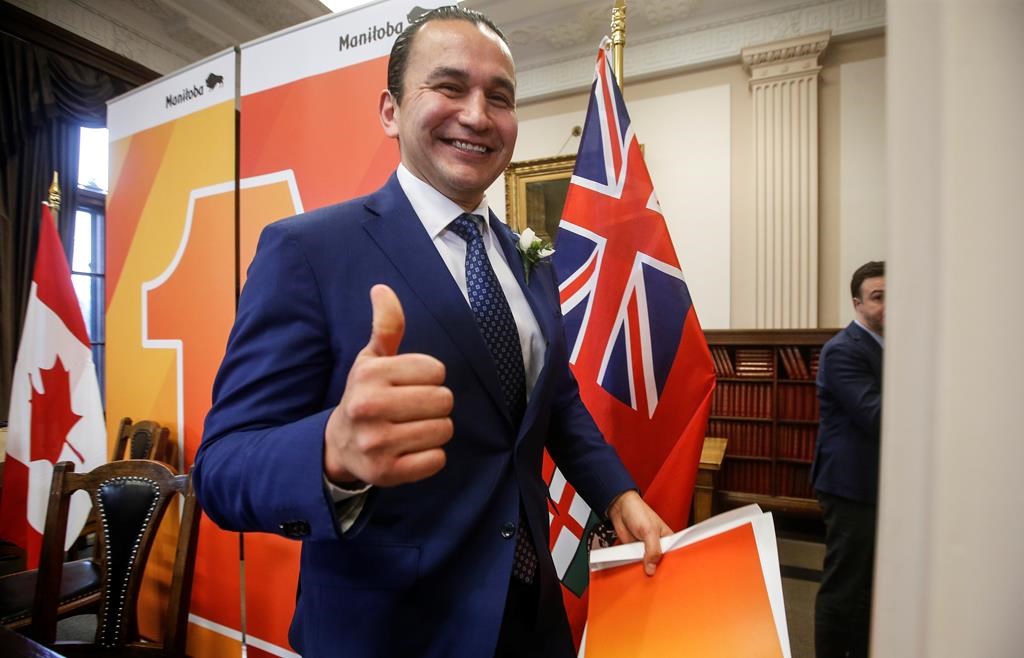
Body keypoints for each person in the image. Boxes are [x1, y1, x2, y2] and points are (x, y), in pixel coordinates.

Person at [193, 7, 671, 657]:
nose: (477, 114)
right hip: (391, 631)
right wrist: (330, 451)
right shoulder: (307, 251)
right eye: (449, 87)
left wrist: (618, 494)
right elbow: (220, 470)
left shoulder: (532, 259)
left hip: (531, 616)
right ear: (390, 111)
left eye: (499, 97)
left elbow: (553, 403)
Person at [810, 260, 885, 658]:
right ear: (857, 303)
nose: (889, 305)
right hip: (849, 486)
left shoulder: (890, 348)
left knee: (867, 587)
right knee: (844, 587)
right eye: (878, 297)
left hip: (876, 486)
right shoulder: (843, 350)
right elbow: (877, 414)